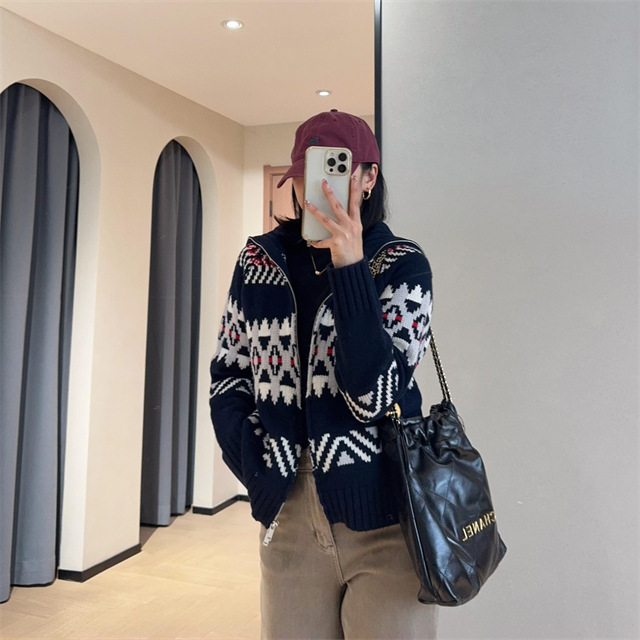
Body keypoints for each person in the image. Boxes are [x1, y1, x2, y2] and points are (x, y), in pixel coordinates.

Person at [209, 109, 437, 639]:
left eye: (334, 173)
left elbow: (374, 397)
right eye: (306, 177)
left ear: (368, 177)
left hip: (387, 518)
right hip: (288, 515)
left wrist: (350, 269)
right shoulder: (259, 262)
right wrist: (258, 469)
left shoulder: (402, 266)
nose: (318, 191)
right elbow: (228, 378)